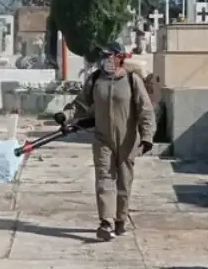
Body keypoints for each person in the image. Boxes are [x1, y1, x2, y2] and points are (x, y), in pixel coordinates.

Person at [57, 41, 156, 241]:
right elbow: (81, 104)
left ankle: (120, 220)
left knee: (124, 182)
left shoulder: (131, 80)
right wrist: (65, 115)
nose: (106, 59)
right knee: (104, 179)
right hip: (103, 139)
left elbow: (145, 110)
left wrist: (147, 136)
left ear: (120, 58)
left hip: (128, 140)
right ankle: (106, 221)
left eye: (110, 55)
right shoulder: (95, 80)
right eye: (104, 55)